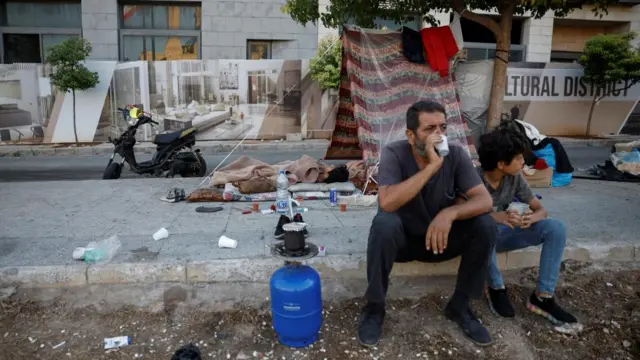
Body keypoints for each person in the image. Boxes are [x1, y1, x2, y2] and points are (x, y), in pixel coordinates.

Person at [357, 100, 497, 348]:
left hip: (440, 241)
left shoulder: (455, 155)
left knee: (485, 225)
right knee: (384, 223)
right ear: (411, 136)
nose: (438, 135)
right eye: (429, 129)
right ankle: (375, 307)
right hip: (404, 243)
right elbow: (387, 202)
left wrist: (450, 214)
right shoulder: (394, 153)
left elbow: (485, 200)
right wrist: (432, 167)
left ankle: (460, 306)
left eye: (442, 128)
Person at [476, 128, 577, 325]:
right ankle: (496, 288)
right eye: (519, 157)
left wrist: (532, 218)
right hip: (478, 236)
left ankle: (542, 297)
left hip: (503, 233)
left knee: (555, 228)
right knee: (483, 228)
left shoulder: (514, 177)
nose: (523, 161)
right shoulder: (474, 179)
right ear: (501, 163)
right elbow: (464, 215)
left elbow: (540, 209)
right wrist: (496, 217)